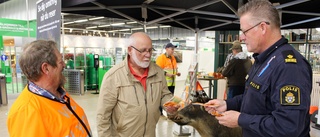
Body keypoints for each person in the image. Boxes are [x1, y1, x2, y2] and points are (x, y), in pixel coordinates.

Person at [205, 1, 312, 137]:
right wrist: (227, 104)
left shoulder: (289, 66)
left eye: (245, 31)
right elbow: (254, 99)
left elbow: (288, 126)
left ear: (262, 27)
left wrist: (240, 119)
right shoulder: (263, 59)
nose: (242, 37)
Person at [7, 40, 92, 137]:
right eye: (60, 61)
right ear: (46, 68)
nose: (64, 65)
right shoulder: (26, 112)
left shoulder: (59, 93)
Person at [96, 32, 174, 137]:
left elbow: (164, 95)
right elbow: (103, 116)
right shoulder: (113, 76)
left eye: (150, 50)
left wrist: (169, 104)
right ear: (130, 50)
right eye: (142, 50)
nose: (148, 54)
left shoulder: (158, 72)